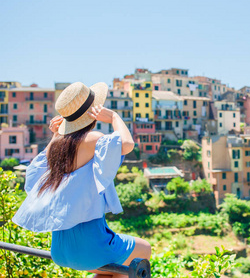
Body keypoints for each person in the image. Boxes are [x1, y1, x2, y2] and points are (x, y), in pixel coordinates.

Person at [12, 82, 151, 278]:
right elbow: (127, 144)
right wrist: (113, 117)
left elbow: (33, 179)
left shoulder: (55, 147)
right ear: (92, 114)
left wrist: (55, 135)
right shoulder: (92, 139)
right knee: (143, 250)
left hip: (60, 249)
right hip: (90, 246)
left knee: (109, 271)